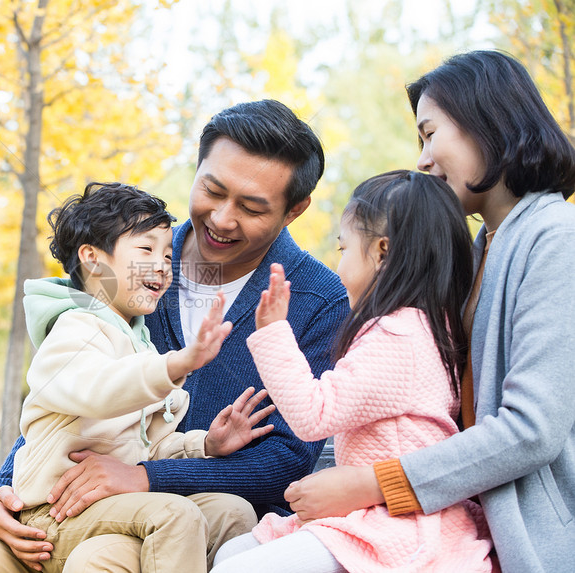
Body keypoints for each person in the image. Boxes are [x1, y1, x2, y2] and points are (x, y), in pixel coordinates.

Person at [0, 100, 349, 573]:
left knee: (104, 558)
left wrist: (144, 477)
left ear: (295, 210)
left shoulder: (317, 298)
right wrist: (3, 488)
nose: (223, 219)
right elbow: (68, 389)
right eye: (212, 190)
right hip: (78, 505)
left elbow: (285, 460)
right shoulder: (131, 261)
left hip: (211, 526)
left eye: (252, 208)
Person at [282, 51, 575, 572]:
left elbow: (532, 428)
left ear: (490, 122)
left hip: (535, 538)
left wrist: (375, 484)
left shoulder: (556, 239)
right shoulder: (482, 249)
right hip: (455, 526)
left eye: (430, 133)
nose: (421, 159)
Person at [212, 170, 494, 572]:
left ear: (381, 252)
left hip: (396, 523)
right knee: (231, 554)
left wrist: (273, 331)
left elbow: (313, 416)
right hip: (379, 509)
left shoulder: (398, 335)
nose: (338, 263)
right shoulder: (429, 326)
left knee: (235, 567)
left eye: (343, 248)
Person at [7, 181, 275, 573]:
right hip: (54, 510)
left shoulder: (138, 342)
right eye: (146, 249)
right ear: (92, 259)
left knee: (233, 511)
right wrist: (177, 364)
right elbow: (98, 389)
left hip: (113, 501)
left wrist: (205, 446)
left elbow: (146, 449)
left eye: (168, 254)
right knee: (175, 513)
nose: (163, 265)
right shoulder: (73, 330)